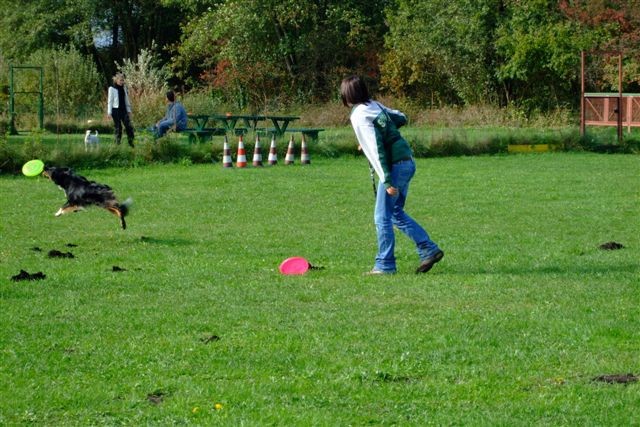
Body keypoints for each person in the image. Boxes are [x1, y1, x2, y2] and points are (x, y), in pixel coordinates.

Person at [340, 75, 443, 275]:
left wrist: (386, 180)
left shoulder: (359, 115)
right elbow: (401, 117)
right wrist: (383, 135)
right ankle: (428, 249)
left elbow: (376, 148)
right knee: (395, 213)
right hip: (407, 162)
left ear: (347, 95)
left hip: (394, 167)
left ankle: (385, 265)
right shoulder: (374, 106)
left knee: (382, 217)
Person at [107, 73, 135, 147]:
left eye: (123, 80)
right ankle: (117, 143)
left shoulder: (124, 88)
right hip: (115, 110)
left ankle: (131, 143)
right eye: (120, 80)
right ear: (116, 80)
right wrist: (109, 112)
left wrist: (129, 110)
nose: (122, 82)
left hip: (124, 110)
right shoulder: (111, 88)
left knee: (129, 126)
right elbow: (110, 101)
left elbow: (126, 100)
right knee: (118, 127)